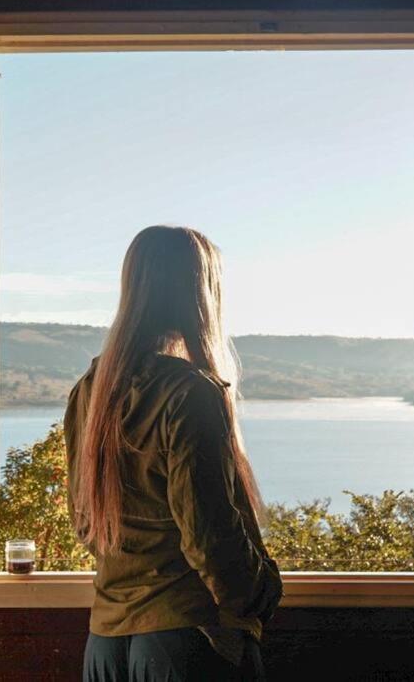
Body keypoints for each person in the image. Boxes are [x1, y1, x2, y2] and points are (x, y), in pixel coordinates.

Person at [64, 225, 283, 682]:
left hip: (104, 645)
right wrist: (261, 589)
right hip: (185, 643)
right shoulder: (190, 393)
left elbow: (87, 526)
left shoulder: (89, 392)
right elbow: (210, 536)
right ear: (200, 295)